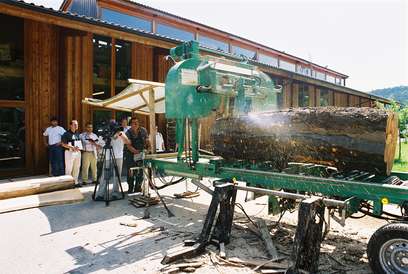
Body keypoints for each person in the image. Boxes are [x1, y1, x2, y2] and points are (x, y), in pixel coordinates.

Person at [95, 124, 130, 200]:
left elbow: (128, 142)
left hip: (118, 156)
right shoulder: (107, 133)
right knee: (104, 175)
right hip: (107, 155)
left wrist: (119, 134)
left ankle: (115, 193)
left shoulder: (121, 133)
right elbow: (100, 144)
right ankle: (100, 194)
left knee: (117, 175)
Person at [125, 117, 149, 193]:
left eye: (137, 122)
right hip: (130, 154)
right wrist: (135, 151)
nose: (135, 124)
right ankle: (130, 187)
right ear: (131, 124)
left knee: (141, 172)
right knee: (131, 172)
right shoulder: (128, 132)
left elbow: (147, 140)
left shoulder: (143, 130)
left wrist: (148, 149)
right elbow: (128, 145)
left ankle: (138, 187)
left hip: (141, 154)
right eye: (133, 123)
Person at [61, 120, 82, 186]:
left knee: (77, 168)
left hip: (78, 153)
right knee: (69, 168)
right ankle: (68, 184)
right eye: (74, 124)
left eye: (77, 124)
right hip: (69, 152)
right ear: (70, 125)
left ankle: (75, 182)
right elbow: (63, 144)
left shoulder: (78, 134)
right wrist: (72, 147)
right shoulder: (66, 134)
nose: (76, 126)